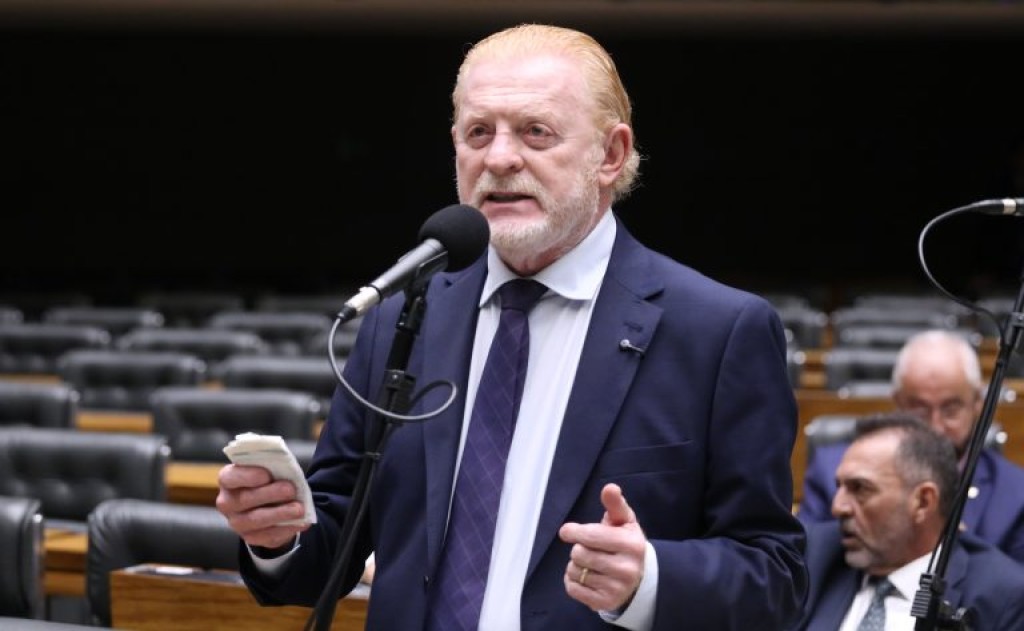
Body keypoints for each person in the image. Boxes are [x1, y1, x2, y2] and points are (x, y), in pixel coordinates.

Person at [216, 23, 806, 630]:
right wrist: (277, 535)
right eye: (479, 133)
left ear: (610, 155)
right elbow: (332, 548)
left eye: (535, 132)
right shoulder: (404, 314)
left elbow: (777, 578)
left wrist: (648, 579)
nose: (498, 158)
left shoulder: (717, 332)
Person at [798, 329, 1024, 563]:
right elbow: (806, 561)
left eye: (951, 409)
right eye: (920, 409)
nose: (936, 427)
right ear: (897, 402)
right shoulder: (833, 473)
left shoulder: (1016, 494)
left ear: (977, 404)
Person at [794, 413, 1024, 630]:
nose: (837, 507)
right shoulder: (811, 556)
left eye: (860, 488)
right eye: (839, 487)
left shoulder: (1001, 597)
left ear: (923, 502)